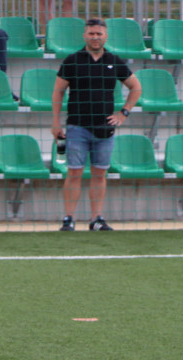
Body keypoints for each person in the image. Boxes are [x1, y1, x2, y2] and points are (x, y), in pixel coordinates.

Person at [52, 18, 142, 232]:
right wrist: (55, 122)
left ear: (106, 36)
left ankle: (96, 219)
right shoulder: (72, 60)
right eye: (91, 33)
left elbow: (136, 87)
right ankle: (68, 218)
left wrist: (124, 113)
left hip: (105, 128)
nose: (95, 37)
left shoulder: (114, 60)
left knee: (99, 173)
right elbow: (58, 91)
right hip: (77, 126)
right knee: (74, 172)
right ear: (85, 36)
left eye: (99, 34)